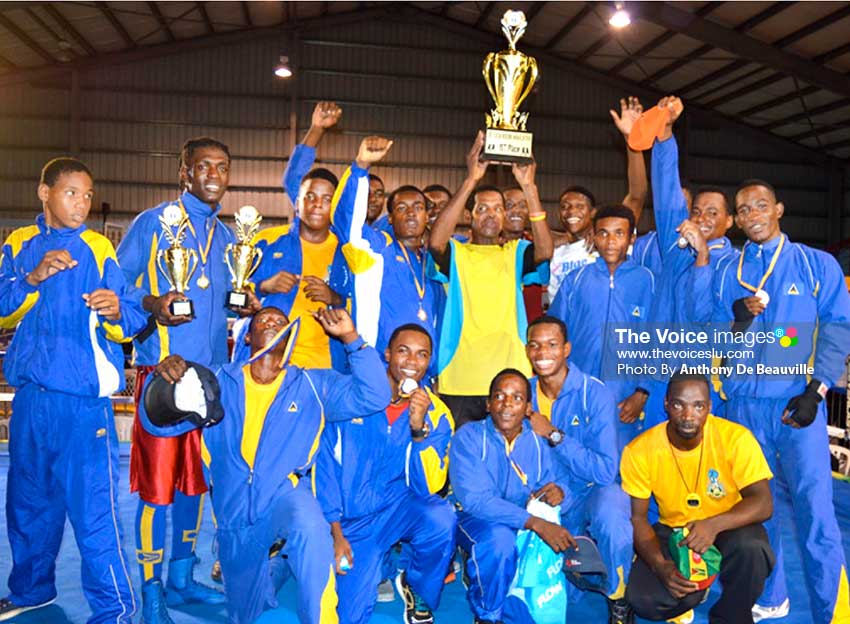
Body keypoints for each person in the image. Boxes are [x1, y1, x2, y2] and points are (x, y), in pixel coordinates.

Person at [141, 306, 391, 624]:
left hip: (283, 497)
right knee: (247, 613)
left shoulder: (313, 385)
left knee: (310, 526)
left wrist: (351, 339)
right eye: (263, 320)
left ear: (290, 335)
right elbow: (157, 420)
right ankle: (275, 567)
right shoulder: (215, 380)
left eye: (280, 322)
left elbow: (375, 395)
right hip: (233, 520)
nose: (272, 323)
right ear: (248, 335)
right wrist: (165, 381)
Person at [0, 158, 145, 622]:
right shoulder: (19, 244)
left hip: (82, 407)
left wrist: (116, 311)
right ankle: (30, 591)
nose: (81, 203)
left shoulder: (98, 247)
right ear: (45, 193)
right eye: (71, 193)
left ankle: (115, 613)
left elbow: (134, 322)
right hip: (29, 401)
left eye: (86, 194)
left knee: (94, 515)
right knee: (27, 506)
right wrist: (33, 278)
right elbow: (2, 308)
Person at [709, 179, 850, 623]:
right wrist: (732, 320)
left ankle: (835, 611)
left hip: (796, 406)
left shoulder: (815, 265)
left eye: (761, 206)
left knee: (816, 512)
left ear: (779, 209)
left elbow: (837, 327)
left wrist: (817, 389)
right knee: (757, 507)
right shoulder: (726, 269)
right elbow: (709, 334)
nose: (753, 215)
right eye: (744, 209)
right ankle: (772, 596)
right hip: (742, 407)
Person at [118, 137, 238, 622]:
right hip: (163, 379)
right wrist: (152, 308)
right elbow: (119, 286)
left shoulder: (228, 238)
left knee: (195, 486)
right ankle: (150, 590)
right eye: (203, 165)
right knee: (158, 490)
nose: (213, 173)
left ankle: (181, 579)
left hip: (210, 385)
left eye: (222, 166)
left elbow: (229, 298)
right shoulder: (153, 223)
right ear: (184, 173)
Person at [316, 323, 456, 624]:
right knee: (350, 616)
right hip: (352, 522)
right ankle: (374, 565)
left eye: (422, 355)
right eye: (403, 351)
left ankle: (416, 586)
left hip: (397, 508)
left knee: (441, 516)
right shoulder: (353, 397)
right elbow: (325, 468)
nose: (411, 362)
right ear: (388, 354)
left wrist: (418, 431)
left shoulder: (437, 412)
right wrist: (335, 532)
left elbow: (429, 488)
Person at [621, 373, 775, 624]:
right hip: (674, 531)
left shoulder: (736, 439)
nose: (688, 414)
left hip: (726, 526)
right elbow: (638, 518)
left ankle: (731, 616)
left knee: (753, 548)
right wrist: (660, 566)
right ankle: (695, 591)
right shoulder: (640, 450)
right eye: (679, 404)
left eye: (698, 406)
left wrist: (713, 525)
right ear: (667, 404)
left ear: (709, 407)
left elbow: (763, 503)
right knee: (643, 600)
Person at [429, 132, 552, 428]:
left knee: (508, 456)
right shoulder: (456, 253)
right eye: (482, 208)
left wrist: (529, 187)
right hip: (459, 375)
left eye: (498, 209)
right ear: (469, 216)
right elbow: (435, 242)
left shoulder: (515, 252)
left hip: (509, 376)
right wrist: (471, 179)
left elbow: (545, 250)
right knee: (457, 460)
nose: (490, 215)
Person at [524, 316, 633, 624]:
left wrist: (554, 435)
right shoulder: (522, 393)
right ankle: (578, 565)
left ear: (567, 349)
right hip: (547, 499)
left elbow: (604, 470)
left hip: (589, 492)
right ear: (526, 350)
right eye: (535, 345)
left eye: (552, 345)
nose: (542, 352)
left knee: (612, 509)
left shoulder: (593, 393)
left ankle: (619, 596)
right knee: (563, 593)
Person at [640, 97, 738, 423]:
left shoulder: (735, 267)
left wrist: (703, 258)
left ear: (730, 221)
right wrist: (665, 133)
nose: (702, 218)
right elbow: (667, 193)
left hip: (703, 385)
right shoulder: (676, 247)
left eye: (713, 212)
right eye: (697, 211)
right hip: (657, 378)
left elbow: (708, 318)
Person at [450, 368, 575, 624]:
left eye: (517, 398)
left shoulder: (537, 442)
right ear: (488, 404)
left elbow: (562, 482)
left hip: (523, 521)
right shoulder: (469, 437)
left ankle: (493, 576)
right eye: (499, 396)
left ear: (528, 407)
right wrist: (536, 524)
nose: (507, 404)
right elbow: (477, 501)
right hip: (472, 519)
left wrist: (560, 493)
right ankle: (487, 614)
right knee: (499, 541)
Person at [245, 101, 348, 369]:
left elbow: (364, 302)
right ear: (297, 201)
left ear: (335, 206)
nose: (316, 204)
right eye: (309, 197)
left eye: (327, 199)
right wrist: (264, 286)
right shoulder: (267, 241)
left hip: (329, 368)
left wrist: (334, 297)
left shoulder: (348, 251)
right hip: (275, 364)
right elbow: (233, 294)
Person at [330, 136, 443, 377]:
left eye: (418, 207)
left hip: (422, 374)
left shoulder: (434, 264)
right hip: (378, 369)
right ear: (390, 218)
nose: (411, 213)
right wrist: (361, 166)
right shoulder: (378, 249)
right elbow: (346, 224)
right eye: (402, 208)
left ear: (427, 217)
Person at [549, 204, 656, 449]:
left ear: (632, 238)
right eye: (604, 233)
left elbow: (656, 341)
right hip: (578, 390)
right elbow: (555, 335)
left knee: (620, 465)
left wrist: (642, 392)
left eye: (619, 233)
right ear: (594, 237)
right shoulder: (575, 280)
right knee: (573, 455)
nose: (610, 241)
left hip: (625, 396)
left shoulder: (647, 281)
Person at [548, 97, 648, 302]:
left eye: (579, 206)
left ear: (593, 212)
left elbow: (637, 195)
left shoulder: (608, 241)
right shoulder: (555, 249)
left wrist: (632, 142)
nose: (571, 211)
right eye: (565, 207)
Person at [503, 186, 544, 321]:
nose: (517, 210)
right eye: (509, 205)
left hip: (531, 331)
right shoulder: (485, 248)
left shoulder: (536, 245)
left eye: (523, 205)